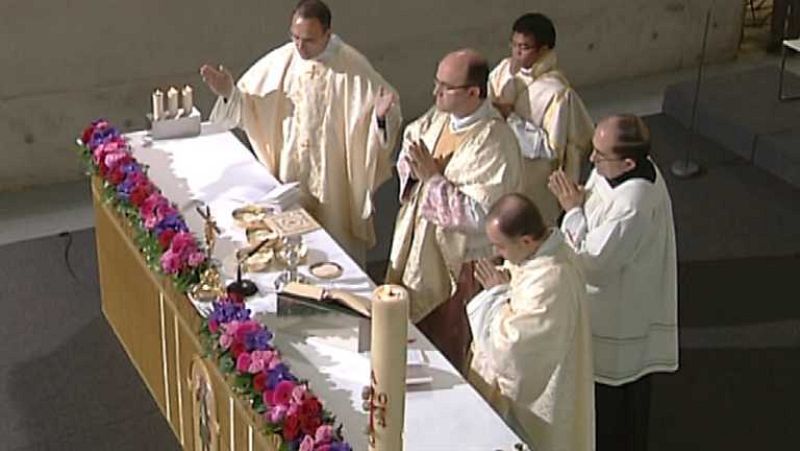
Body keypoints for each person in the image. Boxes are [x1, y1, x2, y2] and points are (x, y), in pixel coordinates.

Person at [200, 0, 401, 265]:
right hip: (291, 175)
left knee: (335, 259)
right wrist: (229, 93)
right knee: (289, 249)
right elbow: (250, 105)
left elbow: (386, 111)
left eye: (308, 40)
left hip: (334, 186)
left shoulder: (352, 67)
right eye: (294, 37)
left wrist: (380, 118)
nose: (300, 47)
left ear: (327, 35)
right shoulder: (282, 61)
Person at [548, 114, 678, 451]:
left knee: (616, 397)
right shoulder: (617, 167)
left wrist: (573, 210)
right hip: (611, 299)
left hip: (618, 310)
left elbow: (594, 263)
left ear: (629, 162)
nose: (592, 160)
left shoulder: (633, 203)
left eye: (599, 155)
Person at [386, 49, 521, 371]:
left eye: (445, 87)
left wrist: (432, 179)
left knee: (447, 350)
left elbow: (483, 217)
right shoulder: (441, 115)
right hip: (418, 247)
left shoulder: (494, 142)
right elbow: (411, 141)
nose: (436, 93)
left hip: (462, 268)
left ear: (473, 92)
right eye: (436, 84)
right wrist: (415, 167)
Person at [467, 193, 594, 451]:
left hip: (534, 410)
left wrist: (496, 294)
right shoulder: (538, 255)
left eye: (500, 246)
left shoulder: (552, 279)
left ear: (526, 240)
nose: (496, 253)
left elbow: (513, 351)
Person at [489, 13, 594, 225]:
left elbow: (549, 149)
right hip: (498, 167)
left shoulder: (556, 93)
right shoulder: (503, 70)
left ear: (544, 50)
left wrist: (510, 118)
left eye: (525, 47)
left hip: (533, 181)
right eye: (514, 44)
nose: (517, 52)